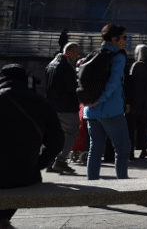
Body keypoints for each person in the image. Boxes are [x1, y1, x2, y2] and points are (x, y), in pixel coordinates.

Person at [0, 63, 64, 229]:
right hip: (26, 175)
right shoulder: (42, 102)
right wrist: (39, 164)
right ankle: (3, 218)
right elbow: (57, 141)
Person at [84, 23, 131, 180]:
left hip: (91, 110)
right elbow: (114, 81)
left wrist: (89, 101)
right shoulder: (118, 56)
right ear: (114, 39)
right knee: (123, 149)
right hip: (111, 110)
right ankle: (124, 185)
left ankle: (92, 187)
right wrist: (100, 99)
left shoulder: (92, 54)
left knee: (95, 149)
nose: (127, 40)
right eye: (124, 37)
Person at [44, 41, 81, 174]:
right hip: (66, 107)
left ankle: (49, 162)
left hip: (51, 106)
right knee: (72, 131)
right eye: (76, 52)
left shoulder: (50, 65)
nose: (77, 55)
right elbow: (72, 88)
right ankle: (61, 160)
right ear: (69, 52)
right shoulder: (66, 67)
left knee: (56, 134)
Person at [127, 44, 147, 160]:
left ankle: (130, 151)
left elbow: (131, 83)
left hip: (135, 100)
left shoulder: (137, 66)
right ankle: (143, 150)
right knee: (143, 126)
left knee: (131, 127)